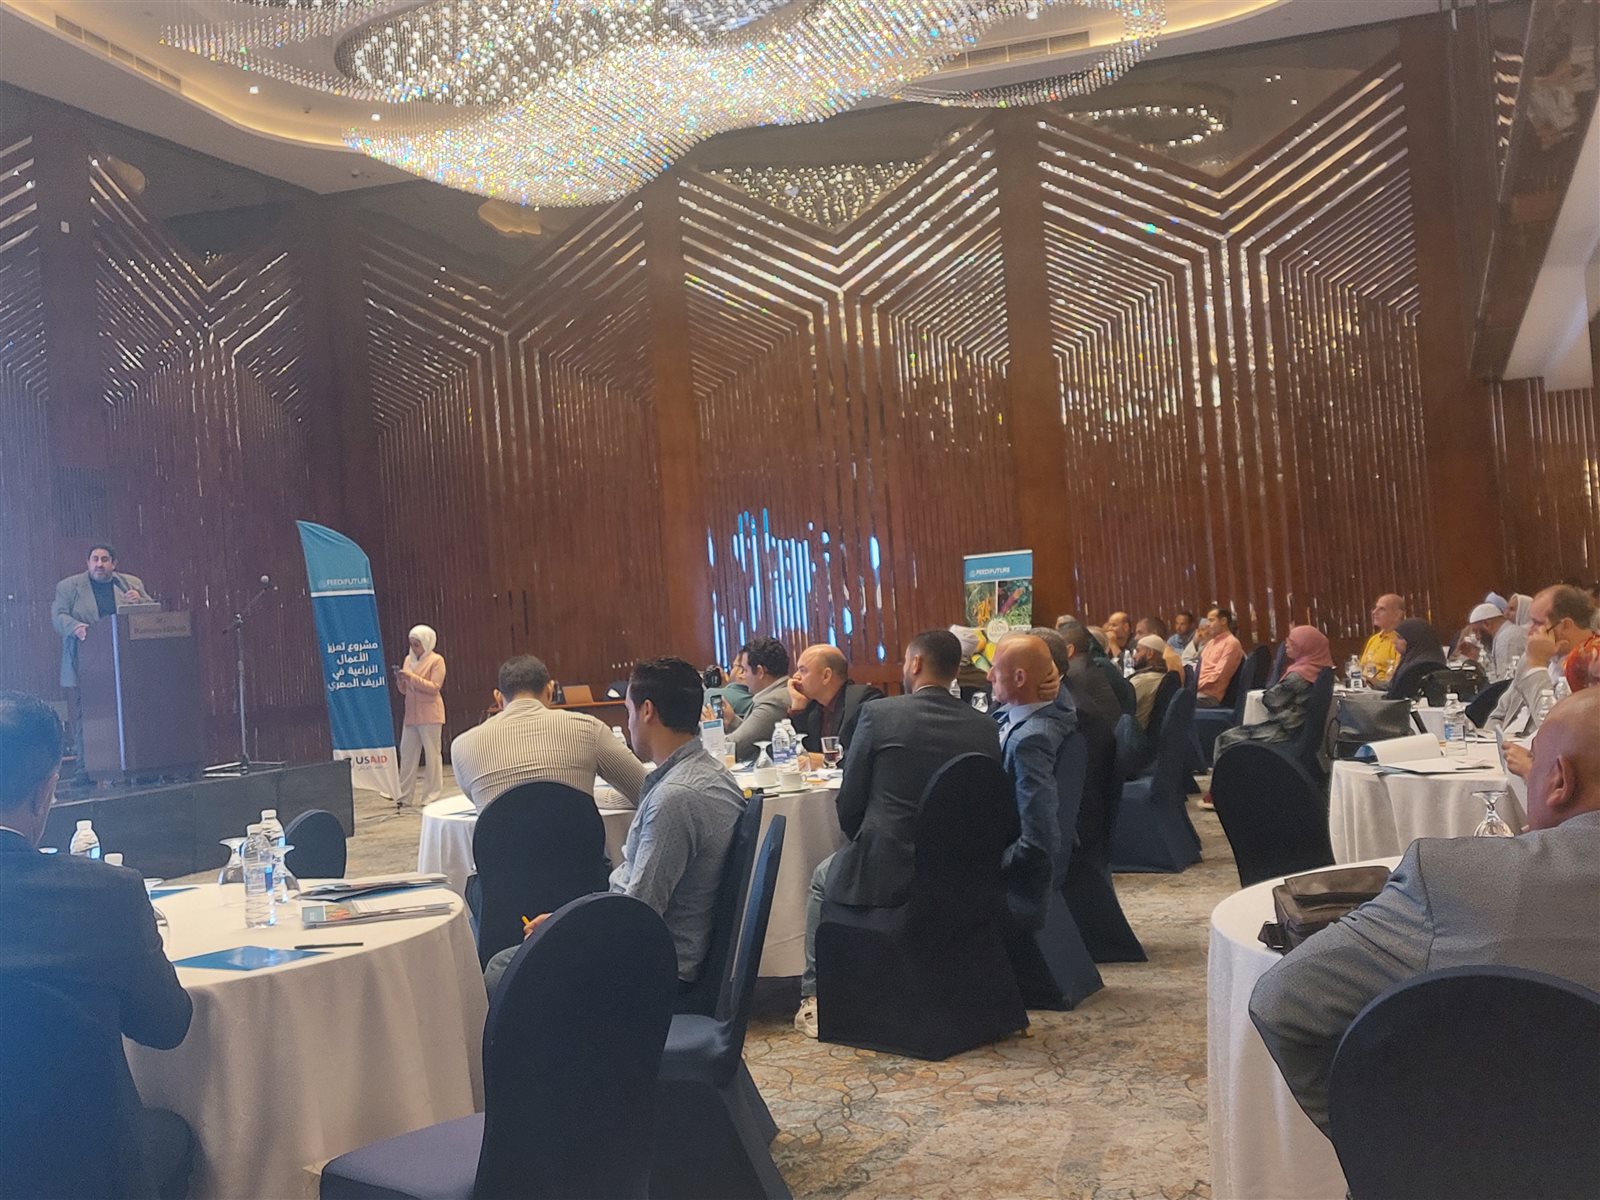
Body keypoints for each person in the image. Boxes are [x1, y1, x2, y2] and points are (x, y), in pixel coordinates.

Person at [1248, 687, 1600, 1137]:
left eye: (1533, 764)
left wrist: (1388, 1149)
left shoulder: (1456, 880)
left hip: (1481, 1160)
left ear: (1559, 781)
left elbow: (1284, 1002)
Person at [0, 692, 195, 1199]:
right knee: (175, 1135)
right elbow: (167, 1026)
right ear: (46, 791)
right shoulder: (105, 894)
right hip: (87, 1174)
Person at [483, 658, 746, 994]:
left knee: (502, 970)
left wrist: (571, 928)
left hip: (650, 970)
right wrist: (569, 919)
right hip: (665, 949)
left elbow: (637, 915)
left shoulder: (675, 799)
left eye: (629, 711)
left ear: (647, 711)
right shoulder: (713, 775)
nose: (629, 722)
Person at [793, 629, 1002, 1038]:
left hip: (890, 867)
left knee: (820, 877)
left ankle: (816, 997)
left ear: (916, 664)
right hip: (965, 869)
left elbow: (849, 802)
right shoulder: (984, 726)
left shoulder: (880, 716)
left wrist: (862, 844)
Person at [448, 654, 646, 812]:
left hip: (499, 853)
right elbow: (648, 790)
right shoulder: (589, 729)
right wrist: (591, 796)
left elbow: (490, 809)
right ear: (550, 692)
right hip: (579, 850)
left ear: (498, 698)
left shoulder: (461, 746)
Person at [989, 635, 1076, 933]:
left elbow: (1040, 837)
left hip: (1013, 887)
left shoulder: (1030, 741)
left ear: (1020, 678)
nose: (988, 676)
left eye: (995, 669)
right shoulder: (1056, 711)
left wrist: (993, 863)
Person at [51, 544, 152, 771]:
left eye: (105, 559)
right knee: (87, 716)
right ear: (87, 563)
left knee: (131, 713)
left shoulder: (131, 584)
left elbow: (151, 616)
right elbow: (58, 616)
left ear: (114, 564)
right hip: (86, 662)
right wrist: (75, 627)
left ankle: (136, 764)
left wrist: (140, 601)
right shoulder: (69, 587)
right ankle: (86, 769)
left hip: (125, 663)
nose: (99, 564)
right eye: (95, 559)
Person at [1486, 584, 1599, 732]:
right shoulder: (1529, 658)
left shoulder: (1591, 663)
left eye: (1537, 623)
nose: (1529, 631)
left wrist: (1537, 667)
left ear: (1565, 625)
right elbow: (1498, 715)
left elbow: (1558, 731)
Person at [1214, 626, 1333, 756]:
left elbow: (1271, 699)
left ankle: (1227, 770)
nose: (1286, 644)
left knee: (1224, 739)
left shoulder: (1298, 676)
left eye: (1292, 643)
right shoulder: (1318, 671)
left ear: (1304, 647)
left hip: (1284, 732)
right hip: (1297, 731)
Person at [787, 644, 884, 754]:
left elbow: (865, 754)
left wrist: (824, 759)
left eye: (803, 670)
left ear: (826, 676)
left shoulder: (863, 700)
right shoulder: (812, 707)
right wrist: (798, 707)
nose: (795, 676)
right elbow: (790, 751)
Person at [393, 624, 447, 807]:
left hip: (430, 714)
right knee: (407, 754)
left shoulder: (436, 660)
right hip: (411, 714)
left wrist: (411, 678)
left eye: (417, 644)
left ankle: (431, 797)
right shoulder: (408, 660)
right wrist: (401, 680)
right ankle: (404, 797)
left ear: (427, 643)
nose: (414, 648)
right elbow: (404, 690)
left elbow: (434, 687)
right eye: (411, 644)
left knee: (432, 756)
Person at [717, 636, 792, 762]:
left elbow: (735, 745)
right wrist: (732, 721)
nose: (743, 676)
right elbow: (756, 733)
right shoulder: (778, 693)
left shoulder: (774, 701)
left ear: (760, 672)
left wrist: (710, 736)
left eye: (745, 670)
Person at [1384, 618, 1447, 701]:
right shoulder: (1434, 660)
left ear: (1413, 641)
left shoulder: (1417, 669)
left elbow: (1396, 697)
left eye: (1399, 638)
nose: (1394, 641)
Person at [1196, 606, 1245, 708]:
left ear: (1223, 621)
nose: (1207, 624)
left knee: (1176, 703)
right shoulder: (1210, 643)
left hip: (1211, 696)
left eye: (1211, 620)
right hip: (1198, 691)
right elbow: (1199, 668)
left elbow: (1218, 675)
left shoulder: (1231, 643)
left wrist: (1195, 685)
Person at [1468, 602, 1526, 683]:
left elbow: (1506, 682)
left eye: (1476, 631)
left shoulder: (1507, 639)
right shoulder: (1503, 635)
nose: (1477, 637)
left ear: (1487, 624)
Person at [1358, 594, 1405, 687]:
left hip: (1385, 690)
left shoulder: (1402, 641)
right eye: (1375, 608)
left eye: (1382, 609)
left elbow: (1396, 675)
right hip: (1365, 688)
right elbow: (1362, 668)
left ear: (1397, 615)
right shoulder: (1373, 639)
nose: (1374, 612)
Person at [1128, 635, 1171, 730]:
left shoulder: (1144, 680)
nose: (1134, 656)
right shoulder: (1163, 676)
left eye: (1138, 651)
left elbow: (1119, 707)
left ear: (1150, 654)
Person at [720, 650, 755, 719]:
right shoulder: (762, 701)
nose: (731, 671)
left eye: (733, 666)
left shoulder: (711, 693)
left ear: (742, 672)